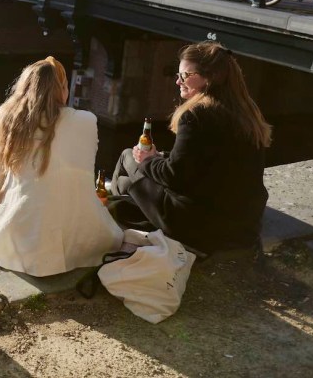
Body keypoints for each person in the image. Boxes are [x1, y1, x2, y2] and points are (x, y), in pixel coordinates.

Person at [0, 57, 123, 276]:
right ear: (63, 89)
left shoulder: (7, 120)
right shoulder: (87, 121)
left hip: (21, 242)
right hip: (78, 236)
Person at [108, 41, 272, 254]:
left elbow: (176, 176)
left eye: (185, 75)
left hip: (199, 227)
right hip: (242, 226)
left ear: (209, 77)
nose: (178, 81)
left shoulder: (196, 116)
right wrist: (159, 157)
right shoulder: (247, 113)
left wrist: (148, 160)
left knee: (128, 157)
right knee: (129, 179)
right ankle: (123, 203)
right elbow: (206, 161)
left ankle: (109, 210)